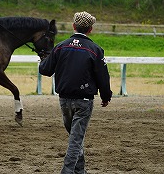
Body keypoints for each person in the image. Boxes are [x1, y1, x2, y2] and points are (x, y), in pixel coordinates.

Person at [39, 11, 112, 174]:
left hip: (64, 101)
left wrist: (43, 60)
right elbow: (103, 77)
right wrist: (106, 96)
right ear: (90, 29)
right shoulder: (95, 50)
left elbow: (45, 70)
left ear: (73, 26)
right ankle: (67, 171)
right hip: (84, 102)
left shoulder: (60, 47)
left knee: (75, 138)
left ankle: (80, 171)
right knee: (75, 140)